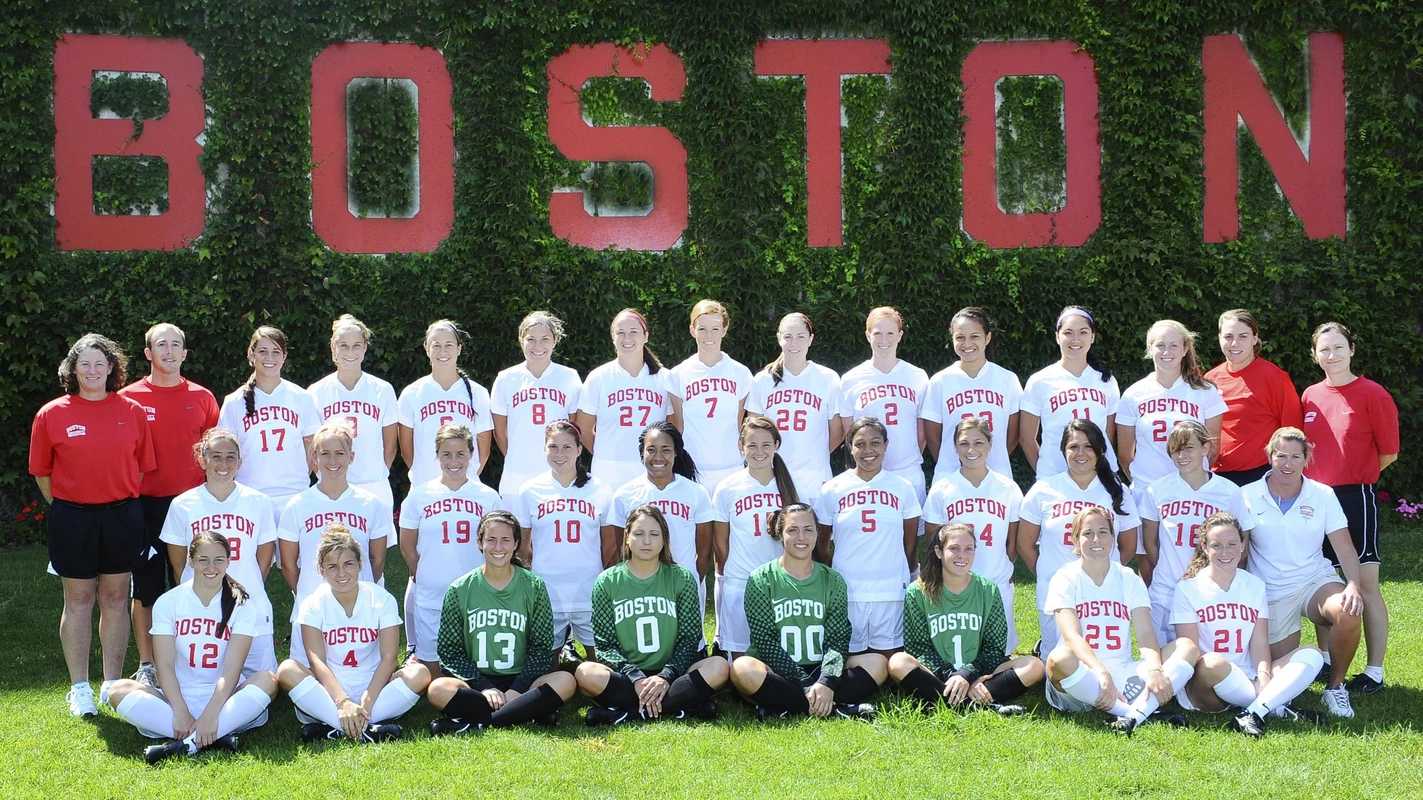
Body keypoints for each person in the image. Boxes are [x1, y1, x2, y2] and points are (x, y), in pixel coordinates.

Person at [30, 333, 155, 716]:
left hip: (121, 515)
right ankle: (80, 688)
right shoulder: (51, 414)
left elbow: (141, 467)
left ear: (111, 367)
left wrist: (114, 496)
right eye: (84, 363)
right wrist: (69, 506)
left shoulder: (131, 410)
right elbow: (42, 472)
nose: (93, 370)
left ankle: (111, 685)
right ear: (73, 370)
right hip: (73, 518)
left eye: (100, 363)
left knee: (115, 598)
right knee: (79, 600)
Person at [105, 532, 276, 764]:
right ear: (191, 561)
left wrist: (211, 714)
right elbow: (164, 666)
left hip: (224, 701)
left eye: (218, 560)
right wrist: (180, 711)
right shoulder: (169, 602)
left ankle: (186, 744)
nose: (211, 567)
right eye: (203, 560)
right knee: (118, 690)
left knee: (267, 680)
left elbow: (232, 670)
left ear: (228, 561)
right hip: (177, 698)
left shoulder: (242, 605)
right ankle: (215, 737)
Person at [118, 322, 220, 689]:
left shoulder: (203, 398)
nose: (170, 351)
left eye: (176, 344)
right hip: (143, 507)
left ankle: (189, 656)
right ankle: (148, 663)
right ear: (148, 353)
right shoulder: (127, 399)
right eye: (162, 344)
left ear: (185, 353)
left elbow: (215, 453)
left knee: (192, 582)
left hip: (192, 508)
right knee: (146, 587)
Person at [1301, 321, 1399, 694]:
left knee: (1367, 586)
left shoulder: (1374, 394)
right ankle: (1327, 660)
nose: (1332, 355)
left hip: (1356, 498)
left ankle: (1374, 671)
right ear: (1315, 355)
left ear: (1352, 350)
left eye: (1338, 347)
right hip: (1315, 498)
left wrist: (1356, 475)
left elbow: (1389, 452)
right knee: (1323, 581)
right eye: (1324, 349)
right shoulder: (1310, 396)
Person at [1240, 427, 1364, 717]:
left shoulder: (1323, 495)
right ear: (1269, 456)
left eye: (1296, 457)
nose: (1288, 464)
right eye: (1281, 456)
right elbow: (1240, 552)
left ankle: (1335, 688)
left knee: (1347, 610)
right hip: (1270, 591)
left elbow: (1345, 548)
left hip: (1314, 581)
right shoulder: (1246, 495)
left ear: (1307, 459)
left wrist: (1353, 585)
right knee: (1279, 675)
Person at [1043, 508, 1198, 736]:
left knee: (1187, 647)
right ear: (1076, 539)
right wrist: (1101, 672)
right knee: (1059, 657)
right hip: (1082, 674)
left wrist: (1155, 669)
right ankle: (1139, 713)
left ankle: (1131, 717)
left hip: (1124, 672)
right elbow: (1072, 637)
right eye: (1088, 533)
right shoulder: (1065, 577)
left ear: (1113, 537)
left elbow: (1145, 634)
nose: (1096, 539)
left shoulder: (1128, 578)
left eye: (1103, 532)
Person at [1172, 513, 1327, 735]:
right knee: (1214, 662)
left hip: (1249, 675)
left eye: (1232, 544)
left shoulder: (1254, 585)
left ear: (1243, 545)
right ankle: (1276, 706)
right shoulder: (1188, 588)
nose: (1225, 552)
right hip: (1208, 681)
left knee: (1312, 654)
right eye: (1217, 545)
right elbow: (1192, 651)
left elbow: (1259, 641)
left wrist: (1263, 673)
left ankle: (1254, 712)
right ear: (1205, 547)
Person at [575, 505, 729, 725]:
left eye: (654, 534)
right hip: (627, 677)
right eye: (639, 533)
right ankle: (680, 707)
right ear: (627, 537)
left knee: (719, 667)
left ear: (664, 538)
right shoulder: (607, 581)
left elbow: (689, 638)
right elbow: (604, 645)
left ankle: (626, 713)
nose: (646, 541)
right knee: (585, 673)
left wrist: (665, 676)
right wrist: (636, 678)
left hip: (673, 674)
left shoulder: (682, 578)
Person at [730, 504, 884, 720]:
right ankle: (837, 708)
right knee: (742, 668)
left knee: (878, 663)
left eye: (808, 530)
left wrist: (827, 680)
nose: (801, 537)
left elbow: (838, 636)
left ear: (818, 533)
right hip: (777, 671)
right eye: (792, 530)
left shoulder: (833, 579)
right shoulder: (761, 579)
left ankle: (785, 706)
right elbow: (764, 640)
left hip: (820, 667)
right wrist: (804, 683)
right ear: (780, 533)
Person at [427, 511, 576, 732]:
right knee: (437, 690)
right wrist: (484, 686)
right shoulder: (459, 589)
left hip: (523, 680)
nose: (498, 547)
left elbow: (542, 647)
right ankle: (525, 712)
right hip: (476, 682)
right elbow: (449, 652)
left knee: (566, 681)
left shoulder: (534, 586)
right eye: (491, 539)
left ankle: (477, 723)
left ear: (516, 544)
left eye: (506, 540)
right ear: (480, 542)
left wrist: (518, 688)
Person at [277, 526, 429, 743]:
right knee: (287, 669)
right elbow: (317, 661)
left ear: (360, 564)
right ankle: (365, 727)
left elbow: (389, 658)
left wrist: (367, 700)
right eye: (332, 566)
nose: (341, 573)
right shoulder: (312, 603)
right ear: (321, 570)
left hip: (375, 688)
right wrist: (343, 702)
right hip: (329, 692)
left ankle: (336, 728)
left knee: (420, 673)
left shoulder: (381, 599)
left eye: (348, 564)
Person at [889, 523, 1043, 714]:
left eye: (968, 549)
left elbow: (995, 648)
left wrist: (967, 674)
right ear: (939, 551)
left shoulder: (988, 589)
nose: (962, 555)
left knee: (1034, 666)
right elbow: (918, 648)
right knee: (898, 662)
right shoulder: (918, 591)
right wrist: (953, 676)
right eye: (954, 548)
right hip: (937, 674)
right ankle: (977, 704)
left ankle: (947, 700)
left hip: (980, 673)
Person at [160, 429, 278, 678]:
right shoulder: (182, 504)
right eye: (216, 457)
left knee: (264, 680)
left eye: (230, 457)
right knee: (201, 679)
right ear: (202, 460)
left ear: (240, 462)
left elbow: (264, 561)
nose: (223, 464)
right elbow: (179, 565)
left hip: (250, 602)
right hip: (199, 607)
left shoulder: (258, 502)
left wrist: (246, 587)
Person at [1016, 419, 1139, 656]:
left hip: (1102, 592)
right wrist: (1048, 573)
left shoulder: (1117, 490)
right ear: (1063, 451)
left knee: (1103, 658)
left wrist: (1102, 573)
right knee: (1057, 662)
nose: (1081, 453)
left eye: (1088, 447)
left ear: (1100, 450)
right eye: (1073, 447)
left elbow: (1128, 545)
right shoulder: (1043, 490)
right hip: (1054, 591)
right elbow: (1025, 545)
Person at [278, 421, 393, 666]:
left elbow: (377, 560)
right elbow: (288, 565)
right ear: (314, 458)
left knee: (361, 673)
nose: (332, 461)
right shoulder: (297, 505)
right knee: (306, 675)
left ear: (351, 457)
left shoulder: (370, 504)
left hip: (359, 610)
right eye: (325, 453)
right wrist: (308, 590)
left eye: (340, 453)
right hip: (311, 609)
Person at [813, 416, 922, 656]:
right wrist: (837, 574)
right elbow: (820, 546)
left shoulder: (903, 487)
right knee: (849, 660)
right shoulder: (832, 488)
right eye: (860, 444)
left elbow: (911, 543)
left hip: (891, 589)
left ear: (886, 445)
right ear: (850, 447)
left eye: (875, 443)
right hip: (848, 591)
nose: (868, 450)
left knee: (890, 662)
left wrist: (906, 572)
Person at [398, 423, 502, 676]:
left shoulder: (488, 496)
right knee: (432, 671)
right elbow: (407, 545)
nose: (454, 461)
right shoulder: (419, 496)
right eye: (446, 454)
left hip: (476, 592)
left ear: (471, 454)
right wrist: (422, 572)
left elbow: (498, 544)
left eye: (460, 454)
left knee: (478, 667)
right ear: (436, 455)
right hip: (431, 591)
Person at [1140, 422, 1252, 645]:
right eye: (1176, 449)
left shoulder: (1229, 491)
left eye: (1189, 447)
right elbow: (1149, 543)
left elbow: (1243, 545)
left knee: (1205, 656)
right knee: (1162, 657)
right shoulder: (1157, 490)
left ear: (1205, 448)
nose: (1181, 455)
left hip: (1209, 590)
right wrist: (1168, 570)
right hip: (1166, 590)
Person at [514, 420, 615, 662]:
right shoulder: (530, 490)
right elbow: (522, 547)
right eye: (553, 447)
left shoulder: (599, 488)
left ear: (579, 450)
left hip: (589, 590)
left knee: (602, 667)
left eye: (567, 447)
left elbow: (610, 544)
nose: (559, 454)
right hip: (547, 592)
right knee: (543, 669)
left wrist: (597, 576)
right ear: (544, 449)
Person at [922, 417, 1023, 653]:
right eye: (964, 443)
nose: (971, 450)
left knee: (998, 654)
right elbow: (933, 542)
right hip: (955, 584)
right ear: (955, 447)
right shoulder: (942, 489)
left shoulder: (1008, 488)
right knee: (956, 653)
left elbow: (1013, 541)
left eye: (978, 443)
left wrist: (1003, 568)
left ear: (990, 444)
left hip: (996, 581)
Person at [608, 422, 715, 628]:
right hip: (641, 587)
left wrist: (690, 581)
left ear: (676, 453)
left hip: (683, 586)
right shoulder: (625, 494)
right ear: (642, 453)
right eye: (651, 450)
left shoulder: (696, 493)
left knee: (687, 642)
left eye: (666, 450)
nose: (658, 457)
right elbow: (622, 550)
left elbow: (703, 551)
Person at [711, 416, 800, 655]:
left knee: (782, 653)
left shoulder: (791, 485)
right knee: (740, 656)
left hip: (781, 581)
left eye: (766, 445)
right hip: (741, 580)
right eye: (752, 445)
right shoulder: (727, 487)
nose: (759, 452)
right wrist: (733, 570)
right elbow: (720, 541)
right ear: (741, 447)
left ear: (777, 445)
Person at [1116, 320, 1225, 509]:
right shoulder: (1133, 394)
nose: (1167, 352)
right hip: (1146, 490)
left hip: (1193, 490)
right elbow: (1125, 455)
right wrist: (1144, 480)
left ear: (1185, 349)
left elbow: (1212, 449)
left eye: (1174, 345)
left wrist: (1193, 477)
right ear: (1150, 348)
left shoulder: (1206, 392)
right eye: (1160, 345)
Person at [838, 307, 930, 530]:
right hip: (868, 474)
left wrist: (905, 458)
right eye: (877, 333)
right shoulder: (851, 379)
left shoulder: (917, 376)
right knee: (870, 534)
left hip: (907, 471)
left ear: (900, 335)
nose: (884, 340)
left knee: (909, 540)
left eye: (890, 333)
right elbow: (849, 434)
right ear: (867, 335)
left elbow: (923, 433)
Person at [217, 326, 320, 513]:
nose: (269, 358)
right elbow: (225, 451)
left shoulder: (302, 397)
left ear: (284, 356)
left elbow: (312, 447)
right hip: (250, 496)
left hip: (295, 495)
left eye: (276, 352)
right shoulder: (233, 402)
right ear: (251, 354)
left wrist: (298, 477)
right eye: (263, 351)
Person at [746, 313, 842, 506]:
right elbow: (753, 432)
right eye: (788, 336)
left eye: (801, 337)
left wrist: (815, 454)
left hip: (815, 479)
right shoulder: (762, 380)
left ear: (811, 339)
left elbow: (837, 432)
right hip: (773, 478)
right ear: (778, 338)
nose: (794, 343)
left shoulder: (828, 378)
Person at [575, 309, 676, 491]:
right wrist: (605, 453)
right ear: (613, 337)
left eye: (633, 332)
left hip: (651, 469)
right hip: (608, 471)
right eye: (620, 333)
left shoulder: (665, 378)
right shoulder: (598, 378)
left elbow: (674, 426)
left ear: (646, 336)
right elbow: (583, 428)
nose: (627, 338)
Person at [491, 311, 582, 508]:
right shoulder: (506, 378)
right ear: (521, 340)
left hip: (557, 476)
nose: (537, 346)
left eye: (545, 339)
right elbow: (499, 431)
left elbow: (574, 429)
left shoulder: (570, 377)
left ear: (555, 341)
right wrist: (516, 456)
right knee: (515, 528)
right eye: (531, 339)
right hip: (515, 477)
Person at [1019, 306, 1120, 480]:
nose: (1075, 339)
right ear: (1057, 337)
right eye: (1068, 333)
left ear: (1092, 336)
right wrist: (1047, 471)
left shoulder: (1107, 381)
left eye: (1083, 332)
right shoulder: (1040, 380)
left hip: (1099, 476)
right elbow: (1026, 438)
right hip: (1054, 476)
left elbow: (1107, 434)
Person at [308, 314, 399, 507]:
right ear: (333, 347)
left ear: (365, 347)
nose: (350, 352)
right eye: (344, 346)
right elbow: (312, 446)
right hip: (333, 487)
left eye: (356, 345)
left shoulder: (383, 390)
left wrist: (376, 475)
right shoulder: (316, 392)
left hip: (375, 486)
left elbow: (390, 447)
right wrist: (328, 479)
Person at [923, 307, 1022, 483]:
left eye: (974, 336)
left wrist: (986, 459)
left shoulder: (1007, 379)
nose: (967, 343)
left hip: (997, 476)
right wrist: (952, 461)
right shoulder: (940, 381)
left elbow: (1013, 435)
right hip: (950, 476)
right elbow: (932, 437)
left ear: (987, 338)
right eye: (960, 337)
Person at [1205, 309, 1303, 486]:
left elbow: (1293, 431)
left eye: (1243, 336)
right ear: (1219, 338)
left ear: (1255, 338)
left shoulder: (1274, 377)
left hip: (1260, 476)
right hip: (1216, 476)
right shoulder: (1210, 380)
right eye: (1228, 336)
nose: (1235, 343)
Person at [669, 300, 754, 492]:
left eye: (715, 329)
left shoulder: (741, 373)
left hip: (731, 466)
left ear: (724, 329)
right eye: (702, 329)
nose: (709, 335)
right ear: (692, 330)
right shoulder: (678, 374)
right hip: (691, 467)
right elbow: (678, 426)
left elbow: (740, 423)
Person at [398, 319, 494, 487]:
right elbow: (407, 450)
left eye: (449, 345)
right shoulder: (411, 394)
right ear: (427, 349)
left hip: (467, 486)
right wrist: (424, 477)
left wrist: (466, 478)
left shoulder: (478, 393)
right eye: (436, 345)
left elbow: (483, 450)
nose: (442, 351)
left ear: (459, 348)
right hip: (425, 487)